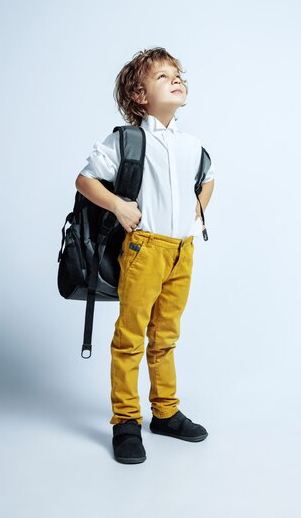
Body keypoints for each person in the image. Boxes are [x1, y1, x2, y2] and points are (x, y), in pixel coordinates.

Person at [75, 47, 215, 464]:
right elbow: (86, 180)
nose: (176, 79)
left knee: (166, 335)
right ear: (139, 95)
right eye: (162, 76)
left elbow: (207, 178)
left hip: (181, 252)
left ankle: (166, 412)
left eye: (178, 74)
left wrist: (196, 209)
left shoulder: (192, 144)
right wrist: (119, 206)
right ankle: (125, 421)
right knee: (130, 338)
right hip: (143, 249)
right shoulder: (127, 139)